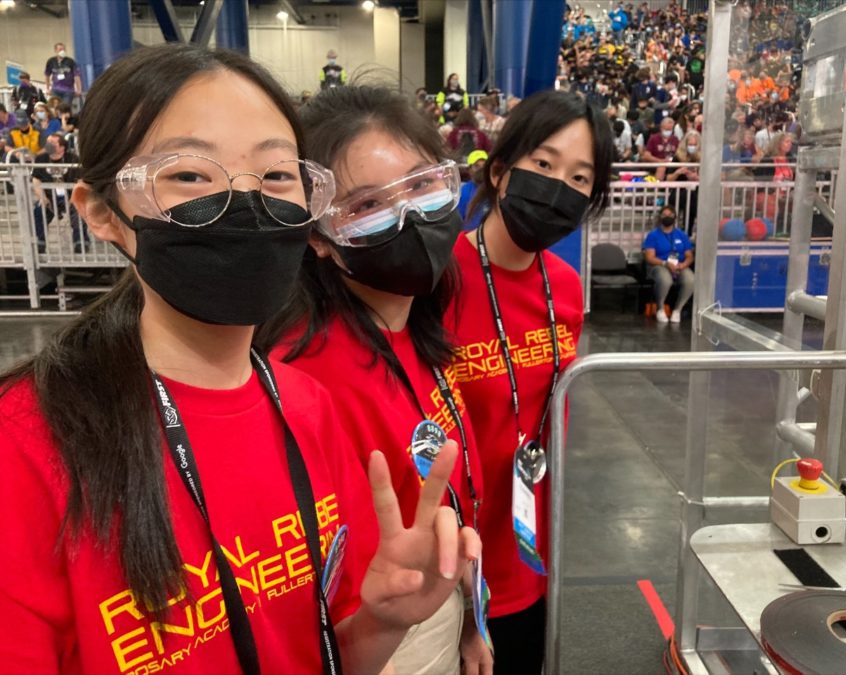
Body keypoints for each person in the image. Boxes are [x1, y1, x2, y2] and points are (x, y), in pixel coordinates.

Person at [0, 44, 478, 673]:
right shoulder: (29, 446)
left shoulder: (308, 407)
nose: (245, 203)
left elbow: (325, 653)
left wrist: (385, 619)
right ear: (102, 213)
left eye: (277, 176)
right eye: (192, 175)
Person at [258, 85, 491, 675]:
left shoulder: (420, 329)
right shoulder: (302, 373)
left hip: (440, 603)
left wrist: (469, 619)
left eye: (420, 183)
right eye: (365, 206)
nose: (409, 214)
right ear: (318, 237)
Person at [447, 90, 613, 674]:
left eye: (579, 177)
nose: (558, 186)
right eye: (543, 165)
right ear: (499, 170)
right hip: (450, 565)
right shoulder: (437, 281)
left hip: (526, 551)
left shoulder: (564, 287)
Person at [31, 132, 88, 253]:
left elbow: (81, 180)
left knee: (79, 210)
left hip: (70, 196)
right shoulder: (41, 159)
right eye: (48, 142)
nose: (48, 145)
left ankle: (80, 242)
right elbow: (36, 179)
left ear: (62, 147)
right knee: (38, 210)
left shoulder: (72, 158)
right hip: (49, 196)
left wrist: (74, 197)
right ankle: (40, 242)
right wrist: (42, 197)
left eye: (52, 143)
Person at [642, 205, 694, 324]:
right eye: (664, 215)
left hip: (679, 265)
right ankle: (660, 308)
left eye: (670, 215)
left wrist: (683, 265)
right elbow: (649, 257)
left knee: (690, 280)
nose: (667, 217)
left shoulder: (681, 235)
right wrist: (665, 263)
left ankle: (677, 310)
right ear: (660, 217)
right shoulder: (653, 235)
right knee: (665, 280)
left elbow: (689, 256)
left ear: (675, 217)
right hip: (659, 265)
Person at [458, 149, 489, 230]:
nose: (481, 169)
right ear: (469, 170)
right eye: (477, 166)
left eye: (484, 166)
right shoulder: (462, 192)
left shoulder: (496, 189)